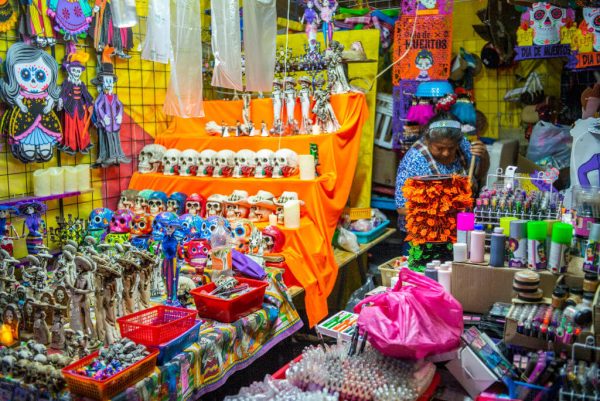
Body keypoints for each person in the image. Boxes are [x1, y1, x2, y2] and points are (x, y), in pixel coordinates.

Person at [395, 112, 490, 251]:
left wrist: (484, 156)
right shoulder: (414, 160)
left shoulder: (462, 144)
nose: (446, 153)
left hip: (458, 231)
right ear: (428, 140)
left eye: (451, 148)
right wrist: (448, 206)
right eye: (439, 148)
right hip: (424, 238)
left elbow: (479, 175)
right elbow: (402, 207)